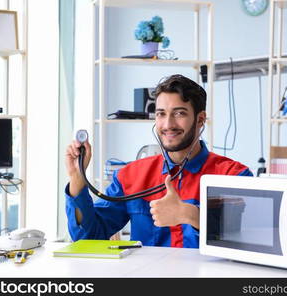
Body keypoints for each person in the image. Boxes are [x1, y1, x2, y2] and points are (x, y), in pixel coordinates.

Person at [65, 74, 253, 248]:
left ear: (200, 119)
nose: (168, 124)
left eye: (179, 113)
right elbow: (88, 238)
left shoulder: (234, 176)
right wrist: (77, 180)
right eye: (161, 114)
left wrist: (190, 215)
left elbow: (243, 241)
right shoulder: (130, 176)